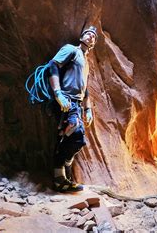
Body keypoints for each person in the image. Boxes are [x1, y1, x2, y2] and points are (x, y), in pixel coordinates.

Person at [47, 26, 97, 192]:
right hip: (66, 100)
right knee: (74, 135)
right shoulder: (71, 50)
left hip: (76, 104)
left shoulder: (86, 62)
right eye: (88, 34)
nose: (90, 37)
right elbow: (53, 66)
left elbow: (85, 87)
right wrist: (58, 94)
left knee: (77, 140)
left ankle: (63, 170)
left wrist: (88, 110)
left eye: (93, 37)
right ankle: (59, 179)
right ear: (82, 37)